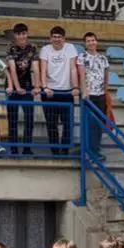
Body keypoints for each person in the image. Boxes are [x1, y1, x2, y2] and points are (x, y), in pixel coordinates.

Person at [38, 27, 79, 155]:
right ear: (50, 38)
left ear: (64, 38)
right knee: (51, 124)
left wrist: (75, 87)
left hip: (66, 92)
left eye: (59, 37)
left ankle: (65, 149)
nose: (57, 39)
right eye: (54, 37)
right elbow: (43, 70)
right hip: (50, 92)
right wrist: (45, 87)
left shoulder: (70, 48)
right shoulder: (45, 50)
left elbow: (73, 69)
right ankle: (55, 150)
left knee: (67, 123)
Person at [3, 24, 39, 156]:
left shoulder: (33, 47)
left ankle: (27, 148)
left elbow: (36, 67)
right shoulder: (10, 47)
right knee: (12, 119)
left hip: (27, 85)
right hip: (12, 86)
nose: (21, 36)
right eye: (18, 34)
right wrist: (17, 87)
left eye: (24, 33)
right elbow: (12, 69)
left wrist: (37, 86)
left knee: (29, 118)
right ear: (15, 35)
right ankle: (13, 148)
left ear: (27, 34)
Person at [76, 32, 110, 159]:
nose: (91, 43)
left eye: (93, 40)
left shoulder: (103, 58)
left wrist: (105, 91)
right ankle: (86, 150)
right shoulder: (82, 57)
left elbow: (106, 76)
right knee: (88, 124)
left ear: (96, 41)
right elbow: (82, 76)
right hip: (88, 96)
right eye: (88, 41)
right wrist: (84, 92)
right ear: (85, 44)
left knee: (98, 124)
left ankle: (95, 150)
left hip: (100, 95)